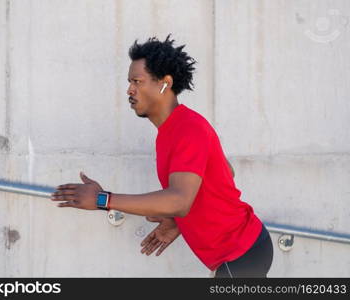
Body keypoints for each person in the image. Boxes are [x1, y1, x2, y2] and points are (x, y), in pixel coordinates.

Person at [50, 34, 273, 278]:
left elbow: (179, 199)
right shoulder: (171, 131)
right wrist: (178, 221)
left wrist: (103, 200)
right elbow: (224, 171)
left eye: (137, 81)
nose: (130, 90)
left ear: (165, 83)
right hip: (237, 256)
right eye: (129, 82)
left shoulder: (188, 128)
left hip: (241, 254)